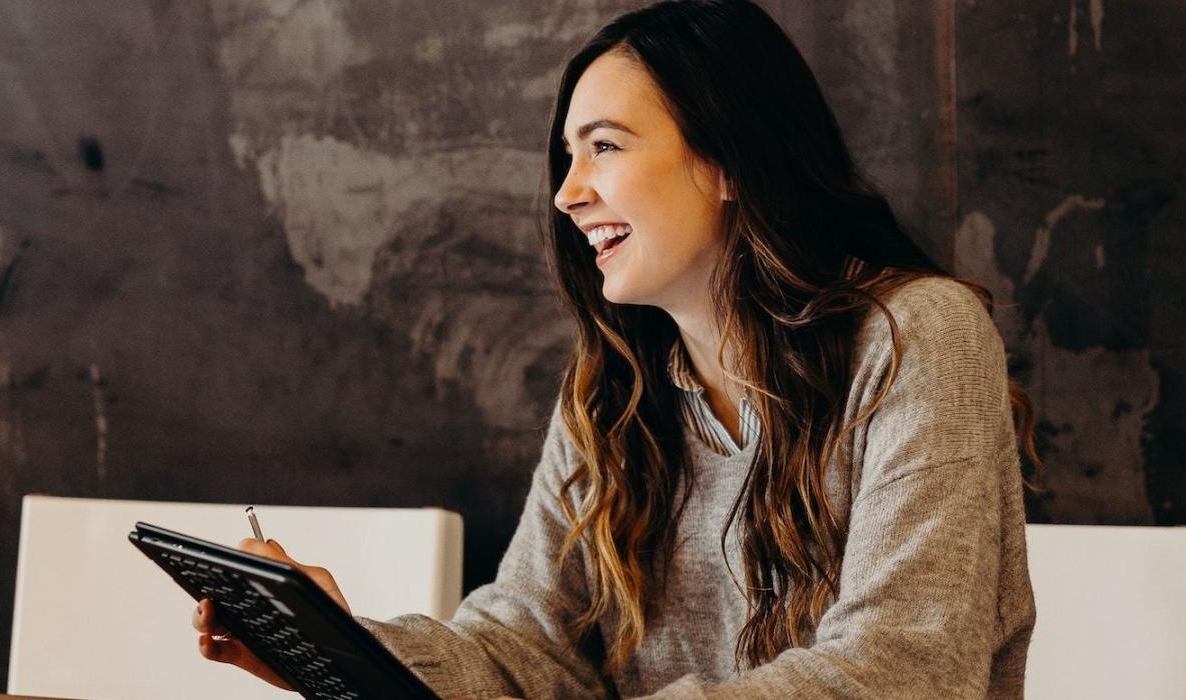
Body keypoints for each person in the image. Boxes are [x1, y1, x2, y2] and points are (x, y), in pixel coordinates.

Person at [192, 0, 1039, 697]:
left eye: (604, 146)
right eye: (567, 156)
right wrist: (345, 652)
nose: (567, 194)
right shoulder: (614, 390)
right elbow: (525, 647)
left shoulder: (916, 336)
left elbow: (906, 669)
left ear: (727, 159)